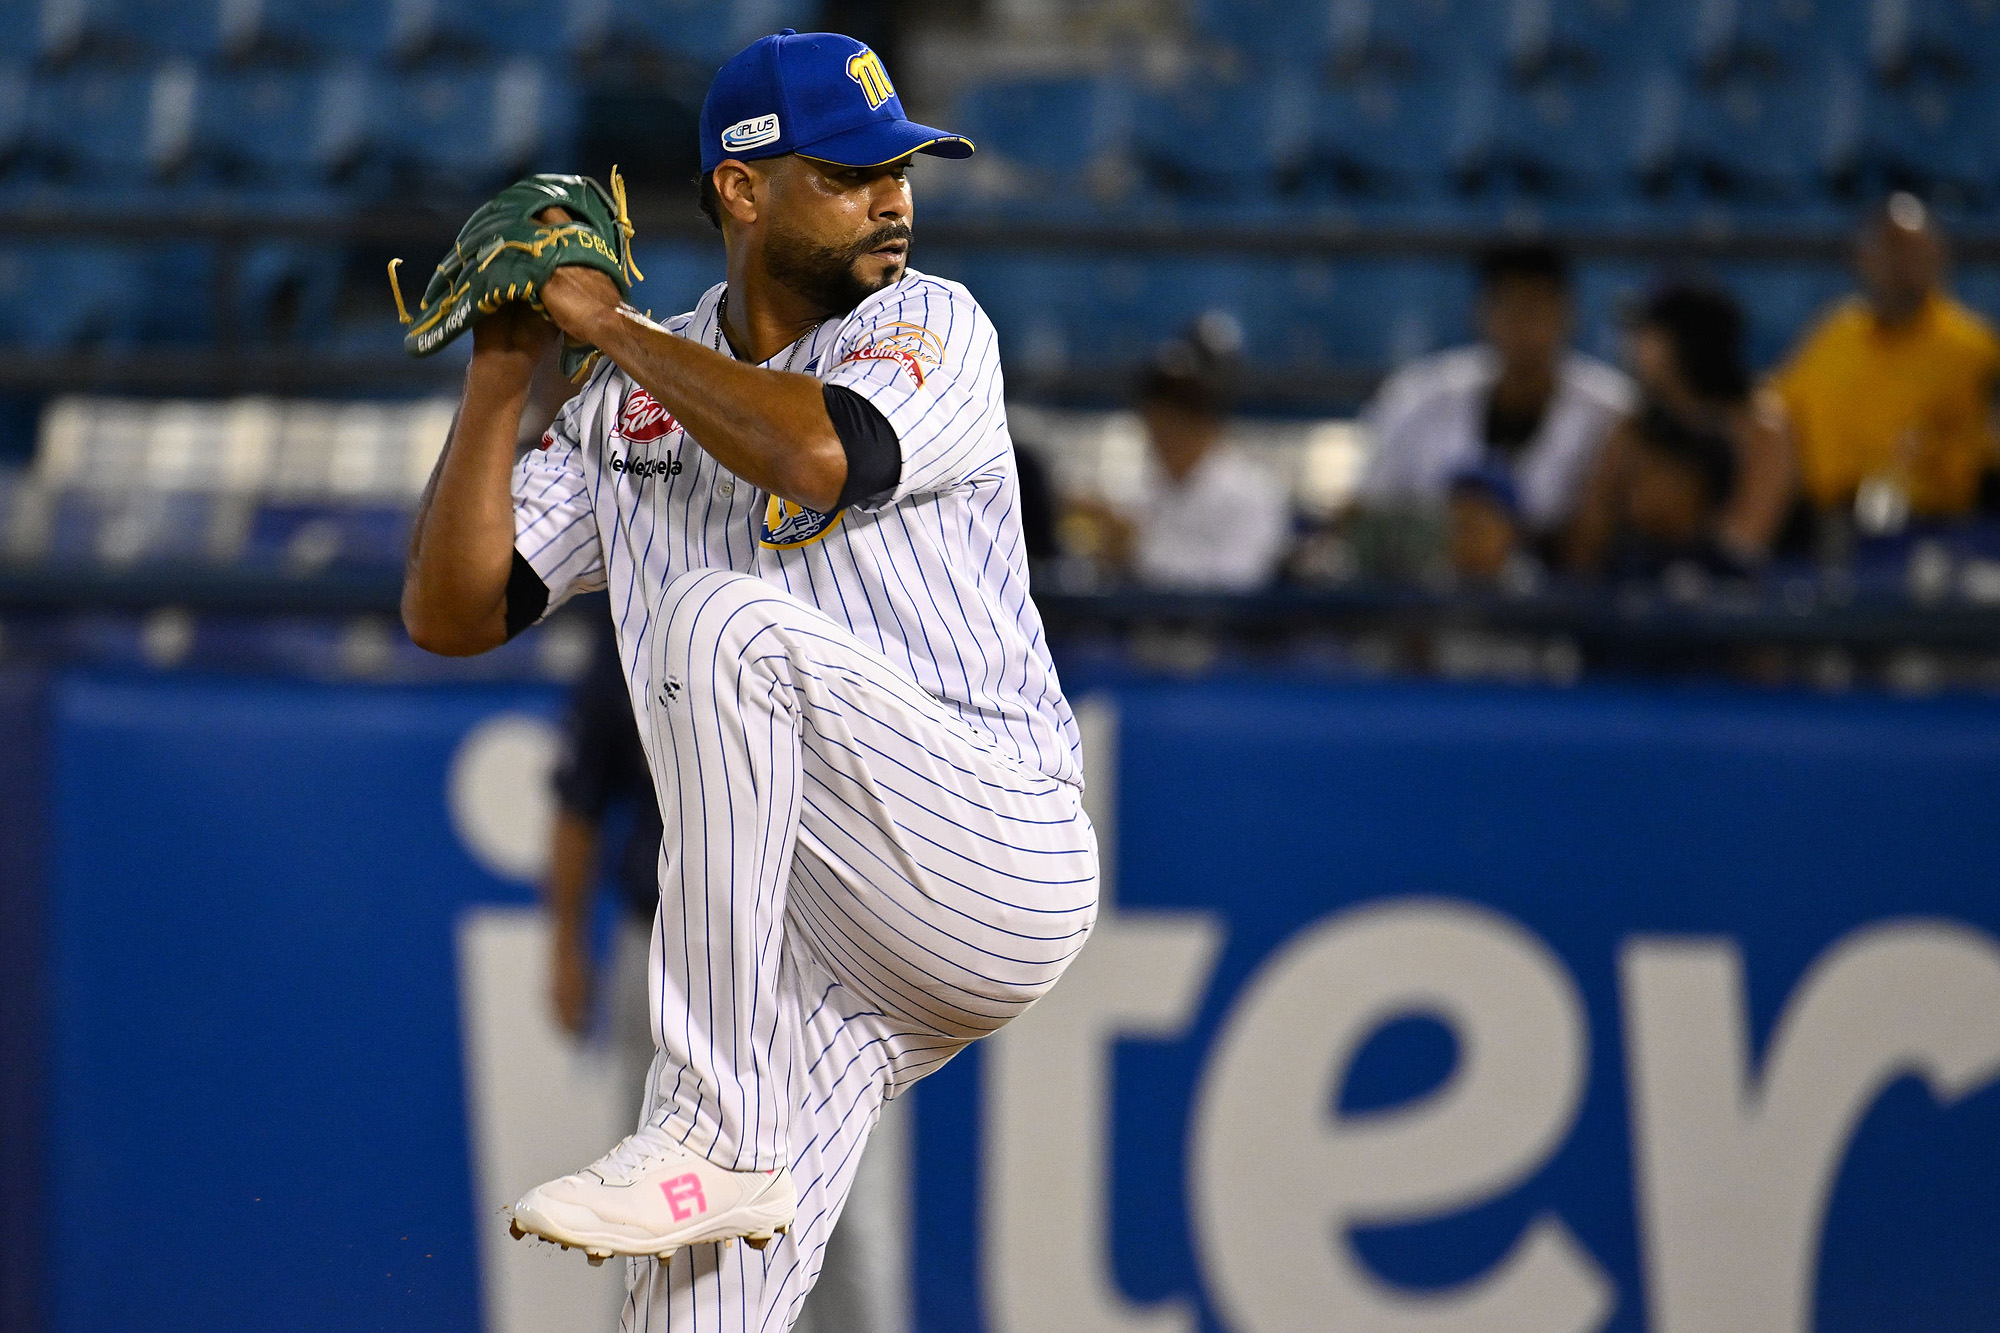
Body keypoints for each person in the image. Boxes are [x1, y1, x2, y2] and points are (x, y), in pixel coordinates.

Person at [400, 30, 1098, 1333]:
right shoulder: (625, 408)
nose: (892, 195)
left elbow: (824, 457)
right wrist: (505, 377)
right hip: (820, 965)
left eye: (902, 167)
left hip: (992, 849)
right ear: (741, 189)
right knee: (687, 1318)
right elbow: (452, 614)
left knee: (728, 622)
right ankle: (718, 1147)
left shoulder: (931, 322)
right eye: (849, 171)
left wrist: (600, 325)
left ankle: (705, 1129)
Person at [1354, 243, 1635, 554]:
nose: (1526, 329)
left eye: (1539, 310)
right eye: (1512, 309)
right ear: (1483, 313)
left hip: (1561, 593)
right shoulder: (1418, 398)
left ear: (1568, 315)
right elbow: (1367, 512)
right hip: (1430, 589)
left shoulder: (1615, 411)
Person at [1772, 193, 2000, 529]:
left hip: (1932, 527)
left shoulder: (1974, 347)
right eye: (1889, 249)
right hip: (1818, 521)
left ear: (1938, 259)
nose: (1900, 266)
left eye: (1913, 251)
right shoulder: (1837, 331)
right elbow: (1779, 407)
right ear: (1864, 259)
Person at [1565, 284, 1787, 578]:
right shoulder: (1633, 427)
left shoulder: (1763, 428)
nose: (1633, 346)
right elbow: (1587, 539)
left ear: (1686, 342)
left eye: (1649, 334)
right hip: (1632, 591)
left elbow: (1744, 545)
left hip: (1746, 602)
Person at [1065, 313, 1292, 590]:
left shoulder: (1254, 492)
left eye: (1171, 424)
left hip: (1222, 632)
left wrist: (1137, 551)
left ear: (1201, 421)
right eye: (1154, 425)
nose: (1159, 438)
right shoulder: (1147, 485)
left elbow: (1237, 582)